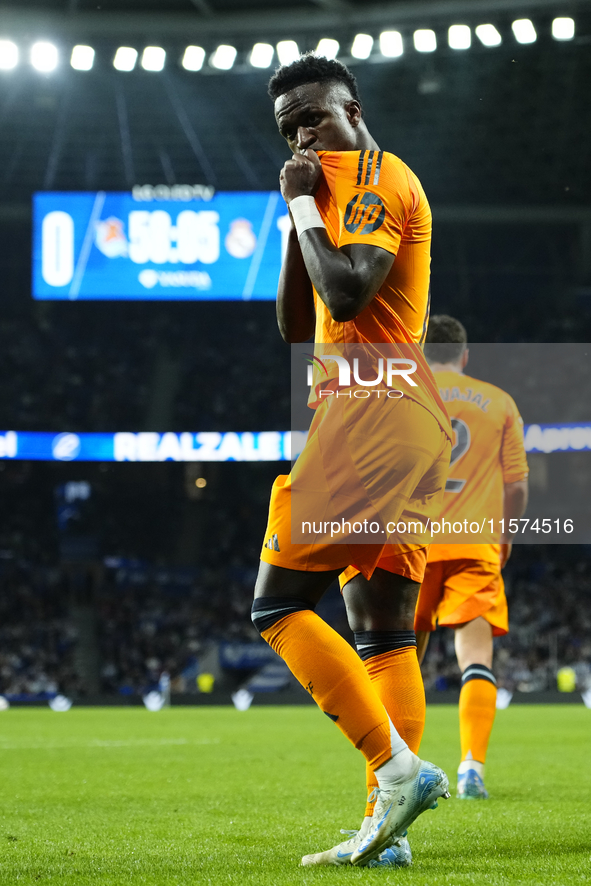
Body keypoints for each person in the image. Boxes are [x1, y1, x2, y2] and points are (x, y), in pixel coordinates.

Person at [251, 53, 452, 868]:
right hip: (399, 417)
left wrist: (305, 207)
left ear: (353, 110)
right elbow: (297, 321)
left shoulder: (373, 176)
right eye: (288, 124)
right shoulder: (329, 191)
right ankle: (388, 830)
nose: (302, 131)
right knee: (383, 635)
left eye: (313, 115)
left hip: (369, 413)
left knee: (275, 607)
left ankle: (394, 768)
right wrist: (299, 217)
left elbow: (346, 295)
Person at [415, 314, 529, 799]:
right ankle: (470, 769)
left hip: (410, 543)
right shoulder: (499, 401)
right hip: (474, 543)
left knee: (398, 660)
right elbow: (518, 485)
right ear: (464, 356)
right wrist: (506, 536)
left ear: (422, 354)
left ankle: (393, 770)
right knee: (476, 660)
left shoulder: (402, 393)